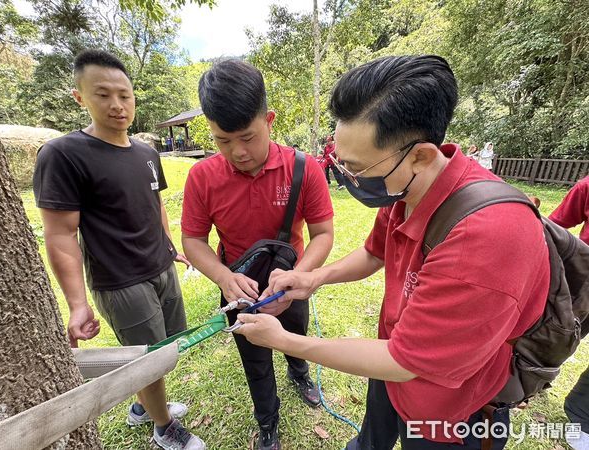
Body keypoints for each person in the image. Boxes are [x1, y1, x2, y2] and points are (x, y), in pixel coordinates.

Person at [233, 55, 550, 450]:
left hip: (450, 413)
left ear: (421, 154)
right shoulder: (405, 187)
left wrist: (283, 341)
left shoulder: (489, 239)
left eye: (358, 168)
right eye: (342, 165)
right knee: (370, 440)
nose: (350, 179)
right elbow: (374, 253)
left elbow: (405, 362)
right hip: (387, 367)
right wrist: (312, 278)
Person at [32, 49, 204, 450]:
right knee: (149, 363)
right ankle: (164, 428)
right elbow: (60, 234)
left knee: (166, 349)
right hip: (120, 281)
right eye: (103, 94)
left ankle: (143, 408)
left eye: (124, 95)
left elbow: (155, 202)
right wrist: (77, 304)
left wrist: (169, 245)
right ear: (80, 97)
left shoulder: (146, 153)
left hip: (161, 266)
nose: (117, 105)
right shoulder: (63, 155)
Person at [181, 59, 334, 450]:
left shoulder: (305, 169)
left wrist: (298, 278)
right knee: (255, 361)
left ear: (269, 119)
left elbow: (322, 234)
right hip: (239, 287)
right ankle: (268, 423)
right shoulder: (202, 176)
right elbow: (193, 240)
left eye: (247, 137)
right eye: (222, 140)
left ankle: (299, 371)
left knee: (294, 335)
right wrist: (222, 277)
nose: (238, 152)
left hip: (292, 278)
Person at [549, 176, 589, 450]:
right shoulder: (588, 186)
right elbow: (554, 226)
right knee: (559, 338)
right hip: (586, 284)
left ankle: (582, 416)